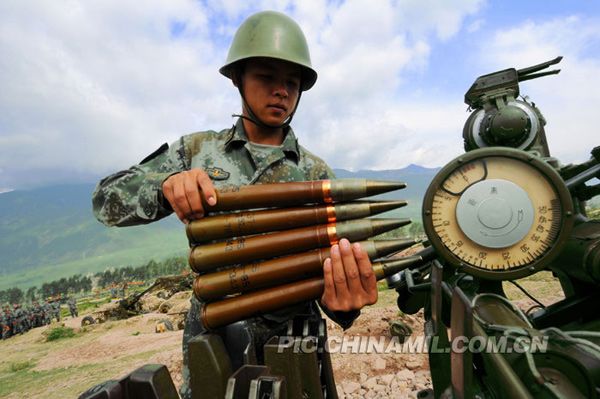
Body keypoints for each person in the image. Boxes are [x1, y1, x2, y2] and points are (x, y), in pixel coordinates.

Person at [92, 10, 378, 398]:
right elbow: (106, 199)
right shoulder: (196, 150)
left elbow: (330, 277)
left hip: (295, 342)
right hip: (215, 336)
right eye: (266, 77)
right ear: (237, 79)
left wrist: (345, 305)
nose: (281, 91)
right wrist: (165, 185)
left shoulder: (317, 172)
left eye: (292, 83)